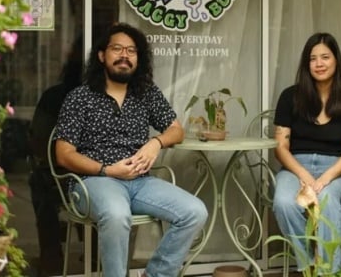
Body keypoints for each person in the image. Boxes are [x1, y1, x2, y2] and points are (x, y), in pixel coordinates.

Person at [53, 23, 208, 277]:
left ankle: (155, 274)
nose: (124, 55)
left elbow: (176, 130)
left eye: (132, 51)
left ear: (139, 58)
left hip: (139, 182)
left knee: (194, 212)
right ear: (102, 56)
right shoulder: (80, 98)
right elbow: (64, 153)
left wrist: (155, 143)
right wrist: (106, 169)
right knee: (116, 214)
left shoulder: (145, 93)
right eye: (117, 49)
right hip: (93, 181)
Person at [272, 32, 341, 273]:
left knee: (327, 201)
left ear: (336, 60)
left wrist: (324, 180)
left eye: (325, 57)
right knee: (284, 202)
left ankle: (330, 272)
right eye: (313, 59)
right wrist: (304, 175)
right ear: (307, 64)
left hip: (340, 169)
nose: (319, 64)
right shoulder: (289, 97)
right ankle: (309, 268)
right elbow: (281, 148)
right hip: (296, 167)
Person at [27, 36, 84, 276]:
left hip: (65, 177)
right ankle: (94, 250)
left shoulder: (54, 95)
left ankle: (51, 259)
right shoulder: (105, 96)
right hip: (90, 174)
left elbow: (38, 144)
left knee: (40, 183)